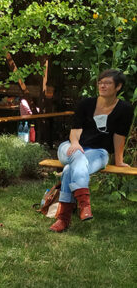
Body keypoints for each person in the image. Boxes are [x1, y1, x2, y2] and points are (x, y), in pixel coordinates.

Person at [50, 69, 134, 232]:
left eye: (107, 82)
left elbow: (119, 136)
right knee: (78, 157)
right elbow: (75, 130)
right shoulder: (86, 104)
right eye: (100, 82)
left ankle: (63, 219)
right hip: (70, 147)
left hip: (98, 153)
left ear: (118, 86)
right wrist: (74, 143)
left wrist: (119, 161)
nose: (102, 85)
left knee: (69, 169)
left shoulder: (125, 109)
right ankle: (84, 205)